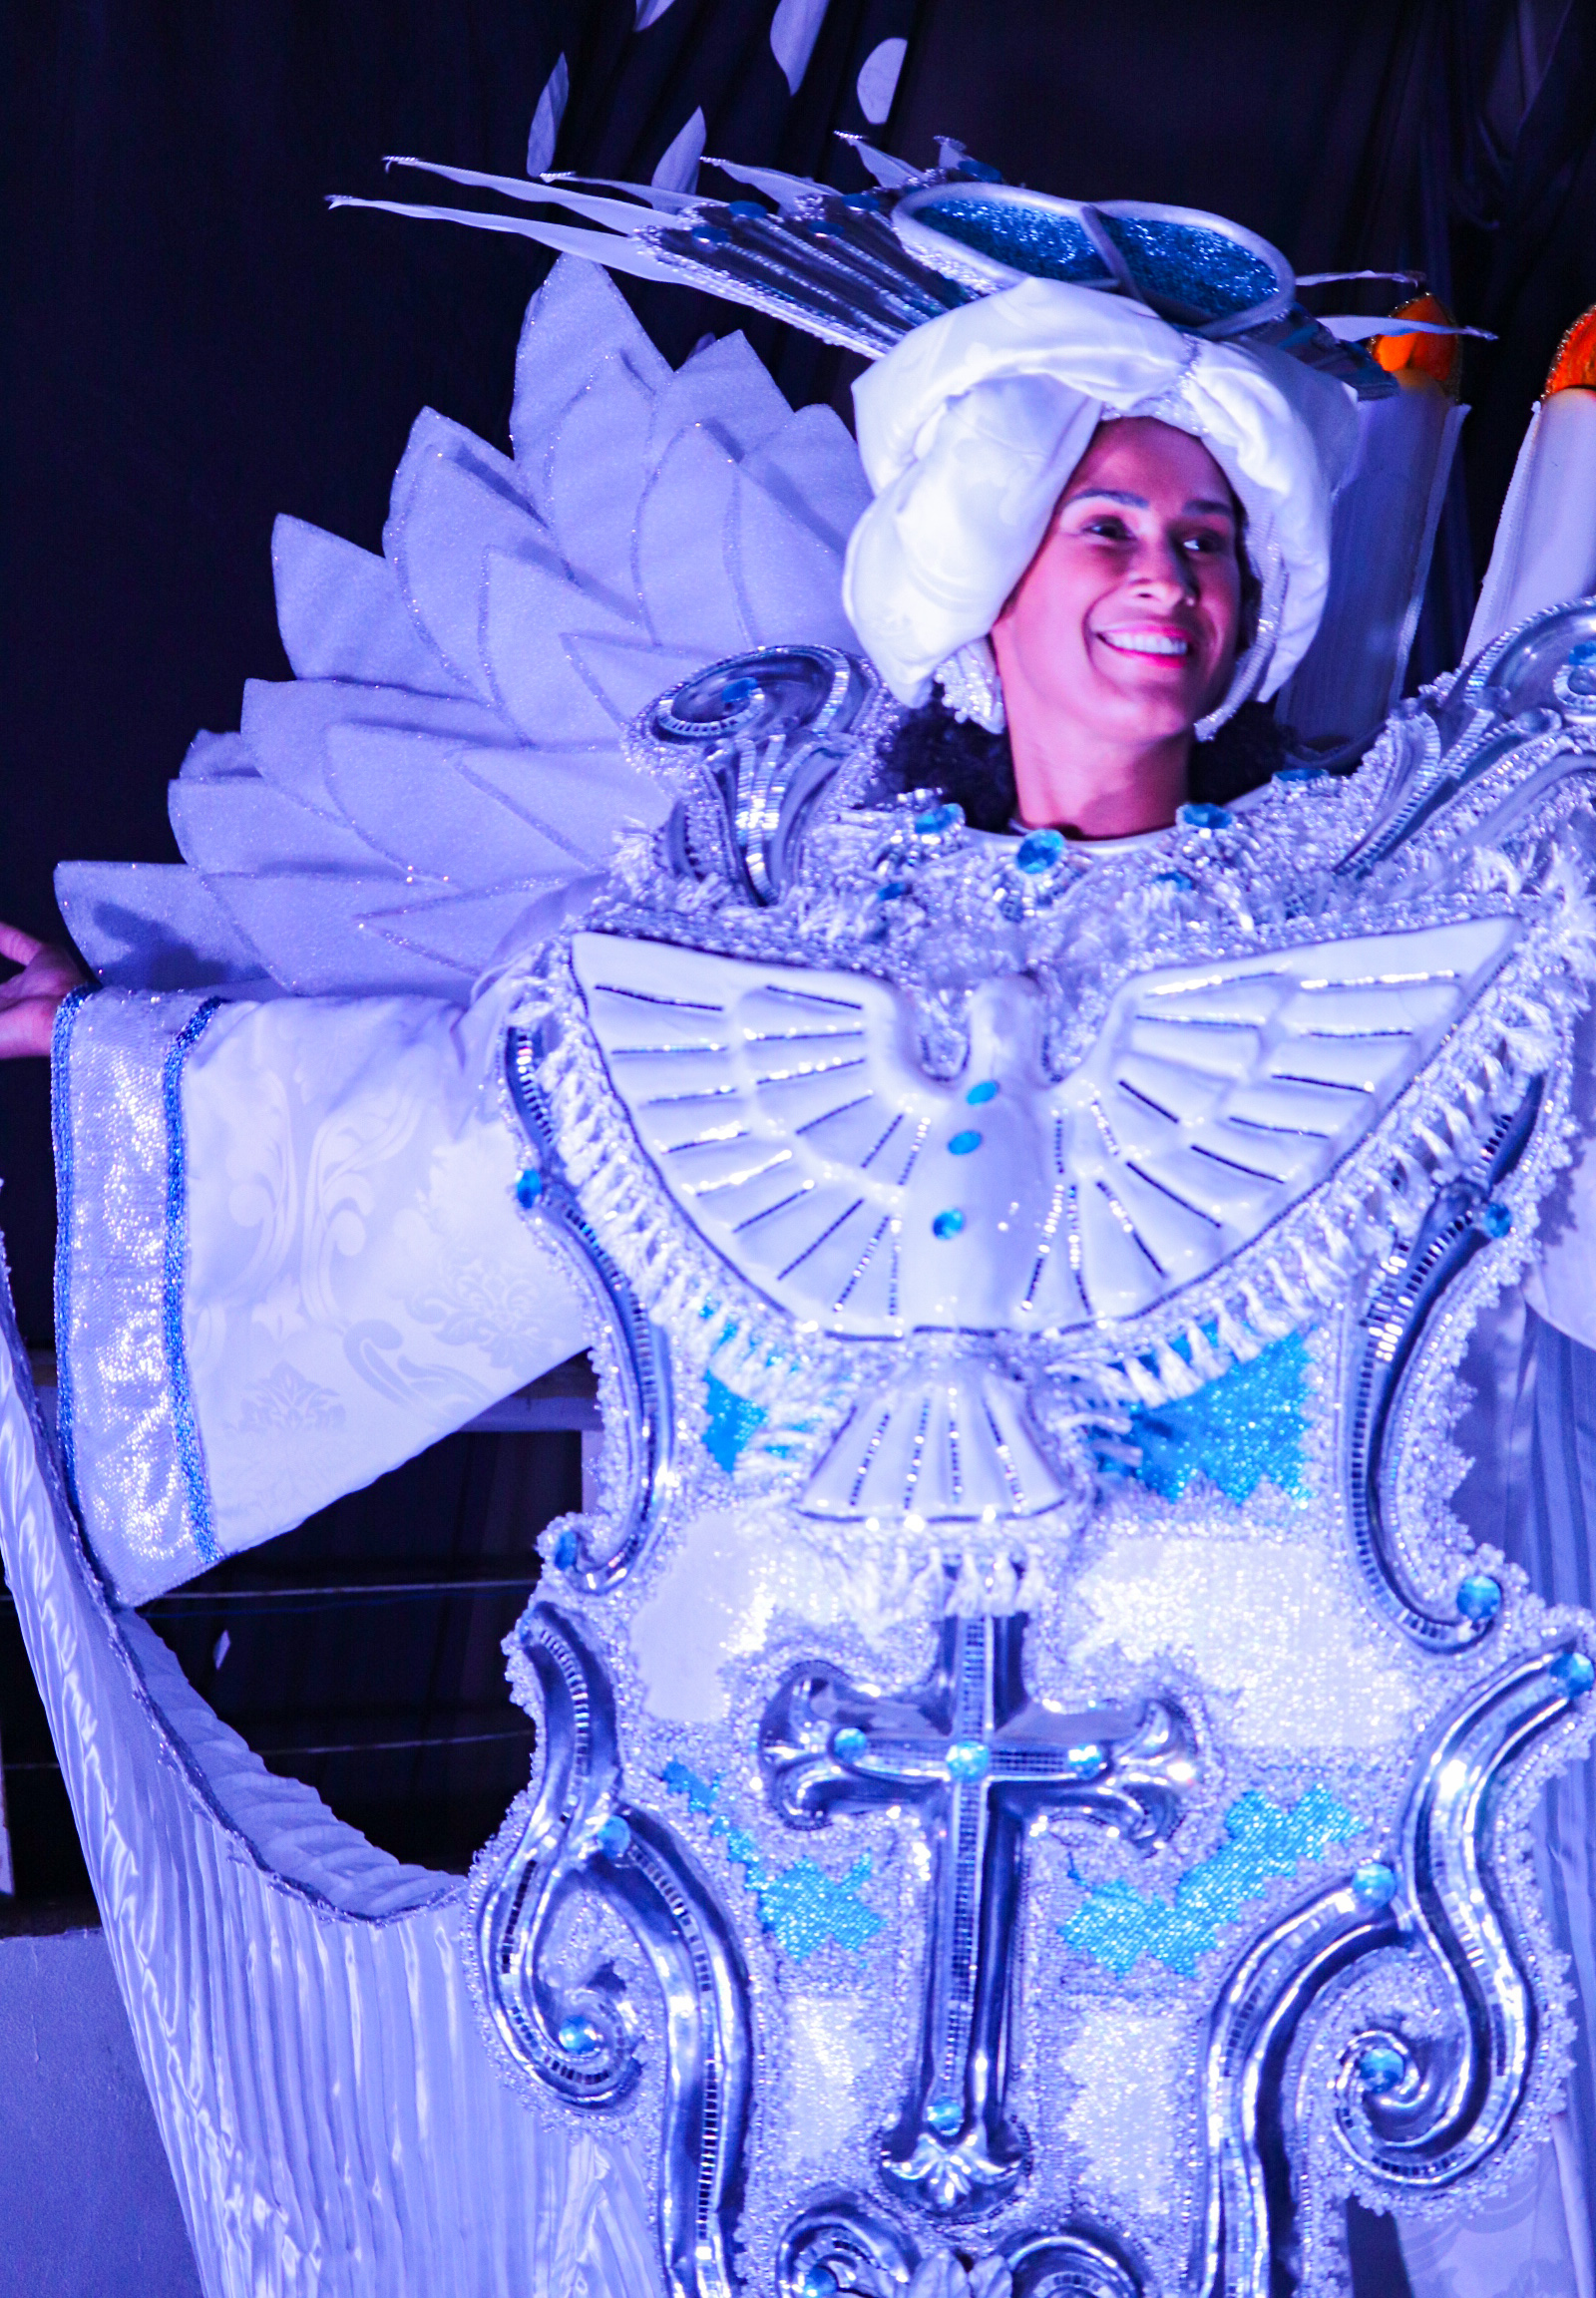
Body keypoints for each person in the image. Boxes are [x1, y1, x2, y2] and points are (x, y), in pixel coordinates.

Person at [1, 161, 1594, 2298]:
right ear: (984, 568)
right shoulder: (792, 937)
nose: (1166, 581)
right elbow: (495, 1122)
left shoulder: (1359, 929)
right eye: (1107, 529)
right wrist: (119, 1043)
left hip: (1211, 1835)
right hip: (829, 1837)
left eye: (1208, 540)